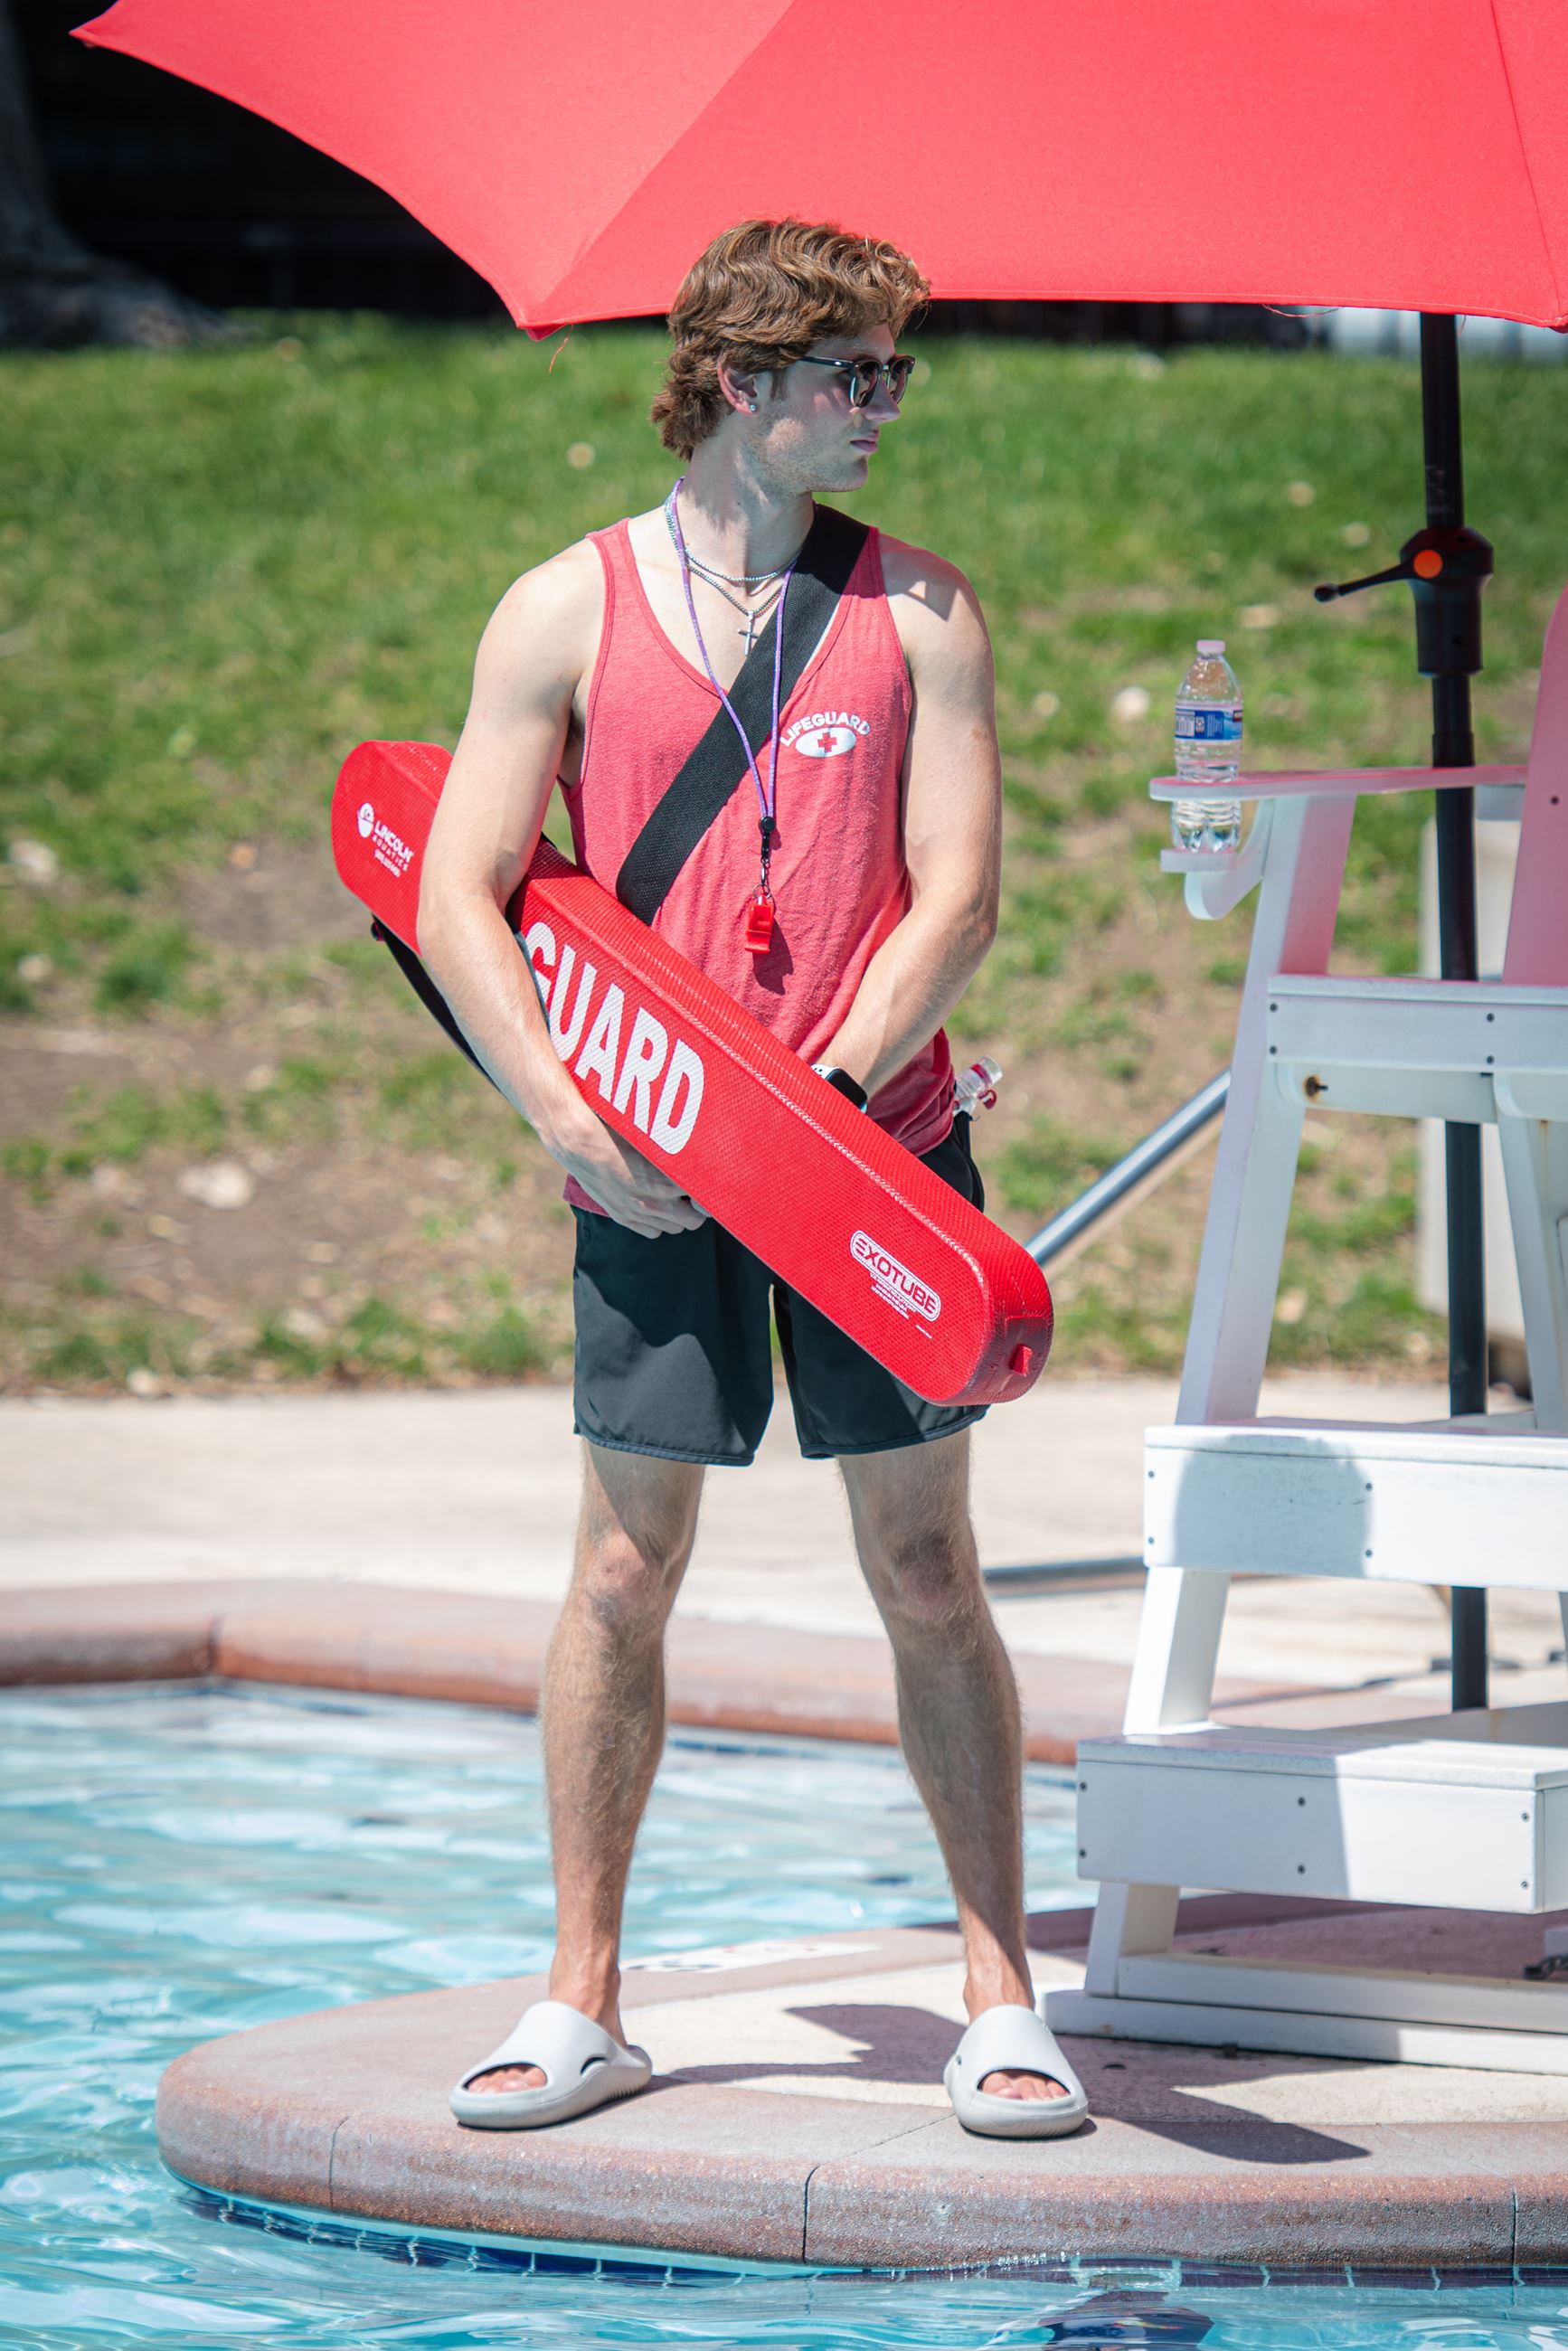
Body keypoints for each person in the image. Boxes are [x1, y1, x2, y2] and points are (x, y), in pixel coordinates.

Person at [417, 218, 1086, 2141]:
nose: (886, 406)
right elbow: (458, 884)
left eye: (896, 372)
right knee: (624, 1572)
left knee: (927, 1565)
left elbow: (958, 896)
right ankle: (584, 1997)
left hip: (875, 1157)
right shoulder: (561, 609)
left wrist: (821, 1110)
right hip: (638, 1158)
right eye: (852, 372)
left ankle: (998, 1994)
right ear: (739, 380)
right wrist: (558, 1110)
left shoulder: (927, 614)